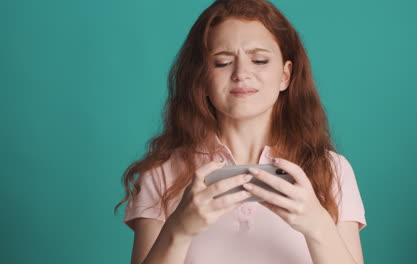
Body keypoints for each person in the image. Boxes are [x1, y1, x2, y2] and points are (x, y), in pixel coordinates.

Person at [114, 0, 367, 263]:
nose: (242, 73)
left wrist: (318, 225)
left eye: (259, 60)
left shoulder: (333, 170)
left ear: (285, 75)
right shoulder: (161, 174)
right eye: (222, 62)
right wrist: (178, 229)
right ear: (201, 78)